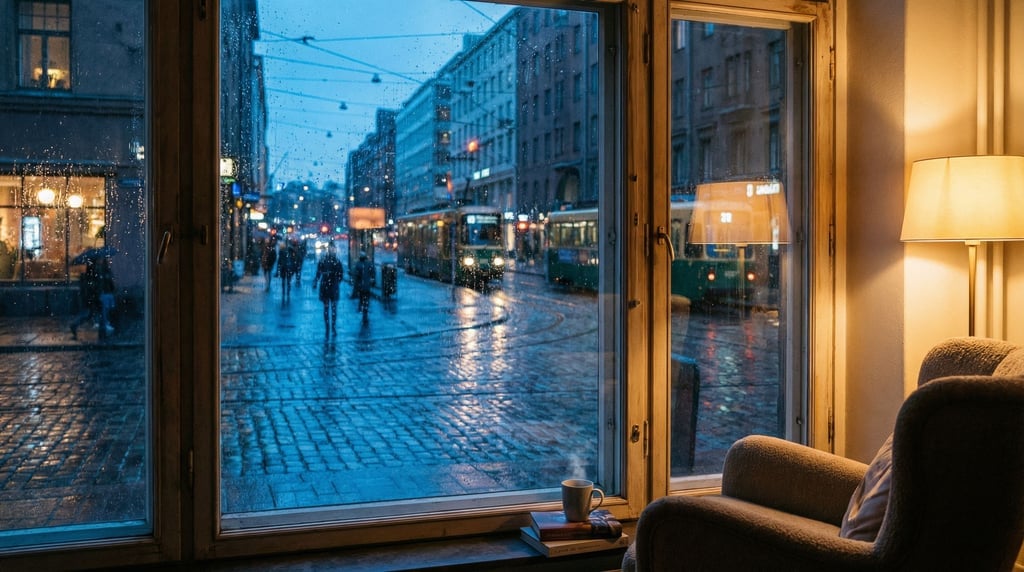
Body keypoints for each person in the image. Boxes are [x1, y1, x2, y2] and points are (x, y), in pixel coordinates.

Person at [70, 255, 115, 339]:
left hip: (93, 296)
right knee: (94, 313)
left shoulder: (91, 272)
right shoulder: (93, 272)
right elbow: (94, 286)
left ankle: (101, 329)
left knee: (92, 314)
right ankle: (102, 330)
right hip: (93, 297)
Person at [312, 243, 345, 335]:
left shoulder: (324, 260)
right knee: (332, 308)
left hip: (326, 286)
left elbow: (318, 273)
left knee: (327, 308)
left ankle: (328, 328)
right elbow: (340, 275)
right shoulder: (336, 261)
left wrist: (316, 281)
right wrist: (336, 281)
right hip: (332, 287)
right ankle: (332, 327)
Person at [352, 251, 374, 322]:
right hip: (367, 286)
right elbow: (372, 272)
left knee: (361, 297)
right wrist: (371, 280)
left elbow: (356, 275)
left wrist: (356, 285)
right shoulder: (369, 264)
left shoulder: (358, 264)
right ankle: (365, 312)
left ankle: (361, 308)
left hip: (361, 286)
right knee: (366, 299)